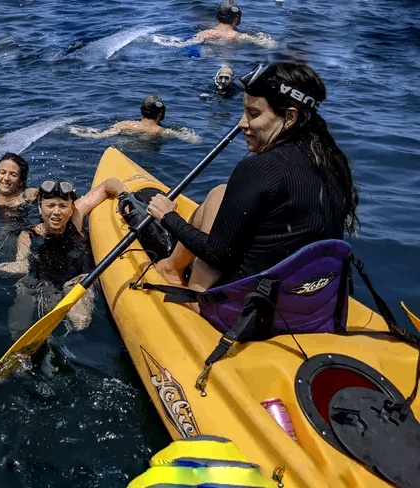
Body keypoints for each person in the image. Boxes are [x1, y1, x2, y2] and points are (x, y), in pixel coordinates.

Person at [146, 63, 359, 299]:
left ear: (289, 117)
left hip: (250, 312)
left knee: (214, 240)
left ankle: (190, 293)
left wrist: (169, 217)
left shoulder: (258, 167)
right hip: (312, 305)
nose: (242, 123)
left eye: (253, 114)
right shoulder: (333, 161)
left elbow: (217, 254)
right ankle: (172, 266)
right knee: (220, 193)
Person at [0, 176, 128, 340]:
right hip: (38, 280)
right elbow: (22, 264)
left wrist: (124, 196)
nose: (57, 212)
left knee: (80, 322)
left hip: (77, 279)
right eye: (50, 206)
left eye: (63, 206)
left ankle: (66, 339)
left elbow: (108, 184)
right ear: (40, 209)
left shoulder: (76, 219)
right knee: (20, 316)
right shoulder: (27, 234)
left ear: (71, 209)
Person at [69, 95, 201, 143]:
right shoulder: (162, 132)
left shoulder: (125, 125)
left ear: (142, 111)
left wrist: (77, 131)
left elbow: (100, 136)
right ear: (160, 114)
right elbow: (195, 140)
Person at [153, 1, 277, 49]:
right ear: (237, 19)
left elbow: (183, 45)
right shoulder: (239, 36)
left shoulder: (206, 34)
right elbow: (271, 45)